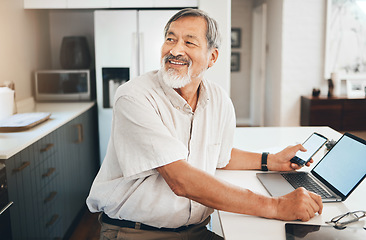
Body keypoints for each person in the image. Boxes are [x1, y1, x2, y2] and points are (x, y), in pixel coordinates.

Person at [87, 8, 323, 240]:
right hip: (137, 231)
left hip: (196, 230)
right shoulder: (134, 96)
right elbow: (181, 179)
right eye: (170, 39)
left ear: (212, 57)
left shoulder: (218, 99)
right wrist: (276, 206)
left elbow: (218, 154)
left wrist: (270, 160)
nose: (175, 49)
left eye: (189, 43)